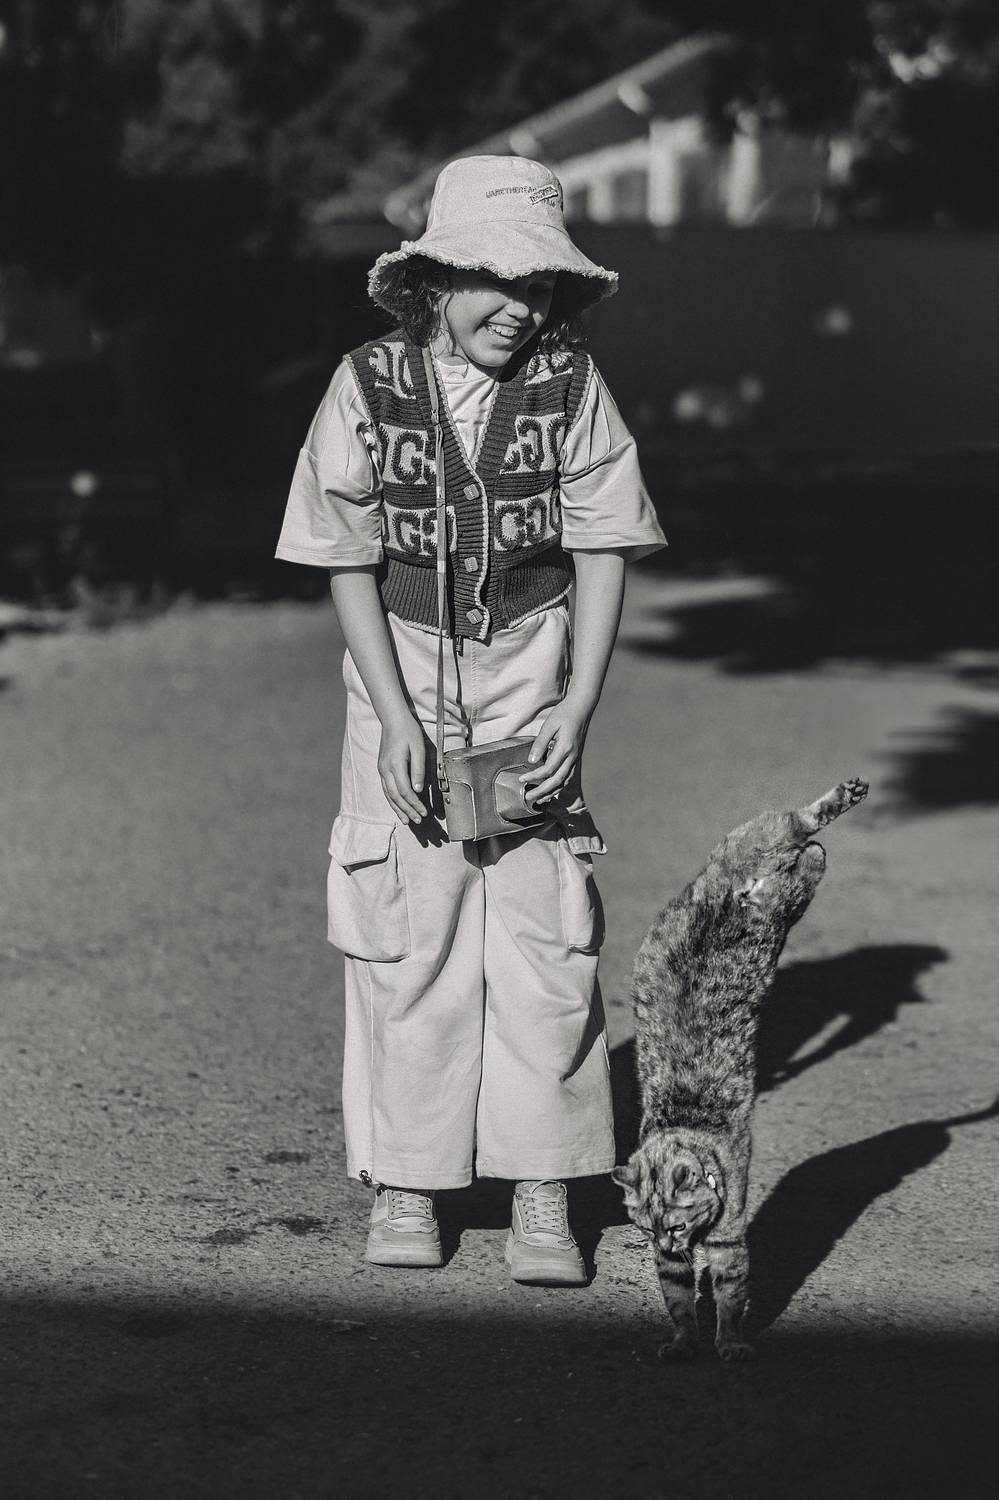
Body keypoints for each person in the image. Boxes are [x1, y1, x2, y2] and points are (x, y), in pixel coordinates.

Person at [275, 155, 665, 1284]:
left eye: (537, 286)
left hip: (530, 674)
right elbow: (344, 554)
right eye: (493, 280)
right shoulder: (367, 383)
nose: (517, 308)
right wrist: (394, 717)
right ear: (435, 279)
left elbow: (602, 542)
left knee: (546, 934)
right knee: (412, 927)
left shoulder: (572, 385)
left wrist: (578, 704)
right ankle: (413, 1180)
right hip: (399, 674)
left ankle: (547, 1181)